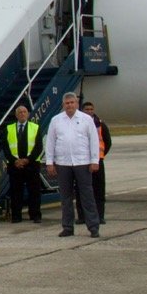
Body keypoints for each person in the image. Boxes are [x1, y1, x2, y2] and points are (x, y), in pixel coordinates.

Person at [44, 93, 100, 238]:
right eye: (67, 103)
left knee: (87, 195)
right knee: (65, 197)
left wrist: (95, 160)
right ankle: (68, 227)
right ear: (63, 105)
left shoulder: (86, 119)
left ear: (76, 103)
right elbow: (50, 142)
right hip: (63, 164)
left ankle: (93, 227)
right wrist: (49, 162)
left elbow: (94, 140)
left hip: (82, 162)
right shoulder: (56, 120)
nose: (69, 105)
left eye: (72, 102)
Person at [3, 103, 44, 223]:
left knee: (34, 192)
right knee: (16, 192)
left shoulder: (35, 127)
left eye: (24, 112)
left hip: (31, 165)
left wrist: (27, 160)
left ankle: (35, 215)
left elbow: (38, 147)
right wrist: (14, 161)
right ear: (16, 115)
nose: (22, 114)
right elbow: (6, 148)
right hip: (15, 166)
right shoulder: (9, 128)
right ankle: (16, 216)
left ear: (28, 114)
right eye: (20, 112)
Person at [82, 100, 112, 223]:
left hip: (98, 161)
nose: (89, 112)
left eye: (91, 109)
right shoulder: (78, 123)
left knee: (99, 189)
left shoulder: (100, 124)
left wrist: (100, 156)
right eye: (87, 110)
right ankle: (82, 216)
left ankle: (100, 216)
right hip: (83, 162)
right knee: (82, 190)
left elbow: (107, 142)